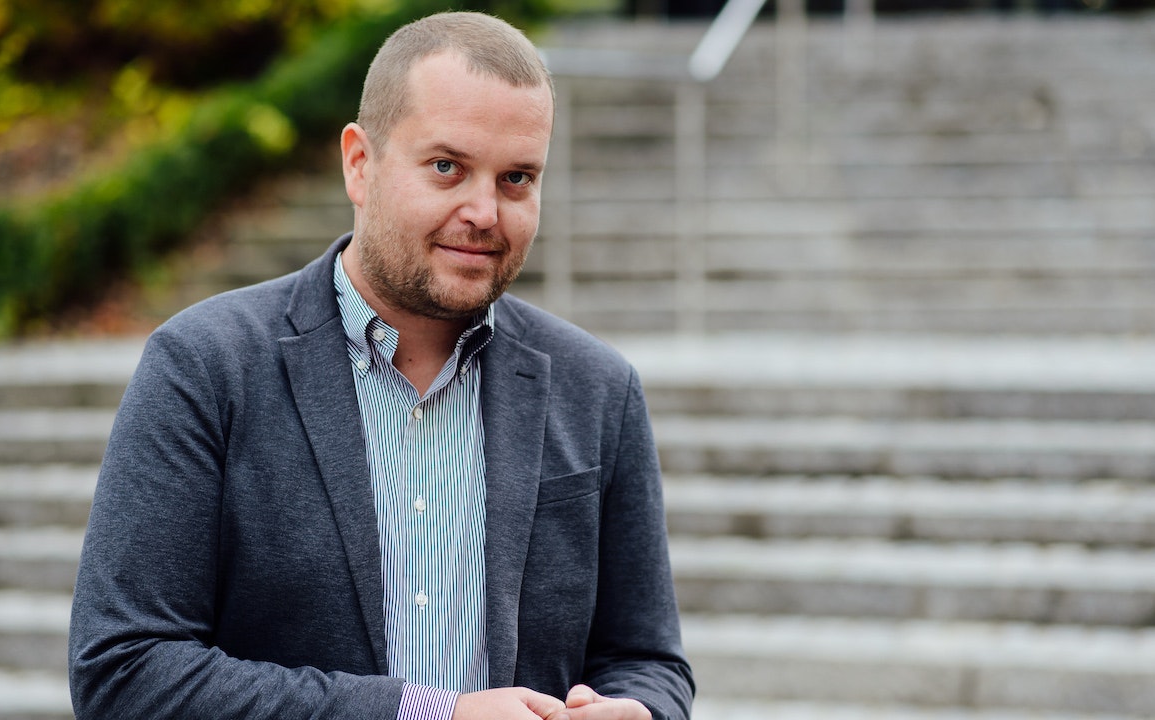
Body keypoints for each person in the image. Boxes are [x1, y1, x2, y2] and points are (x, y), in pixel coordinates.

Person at [69, 11, 693, 720]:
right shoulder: (204, 367)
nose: (484, 212)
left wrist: (640, 711)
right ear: (359, 164)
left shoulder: (599, 389)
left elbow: (649, 662)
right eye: (447, 167)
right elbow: (124, 671)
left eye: (517, 178)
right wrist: (429, 715)